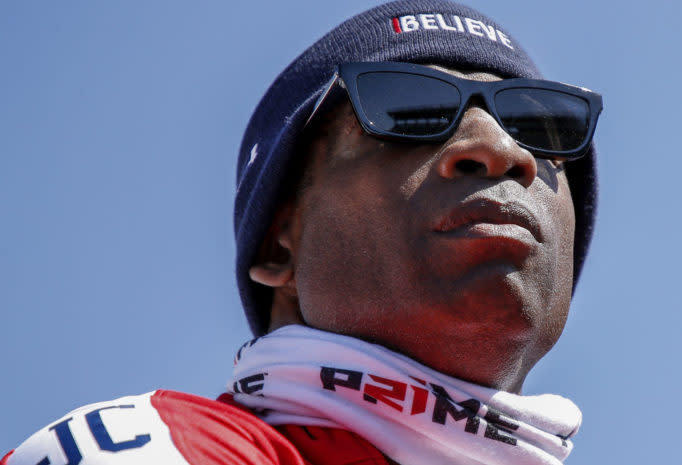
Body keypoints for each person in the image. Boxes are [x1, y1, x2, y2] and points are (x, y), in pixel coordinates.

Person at [2, 1, 602, 464]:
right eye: (408, 111)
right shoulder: (165, 451)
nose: (500, 148)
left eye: (540, 125)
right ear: (279, 242)